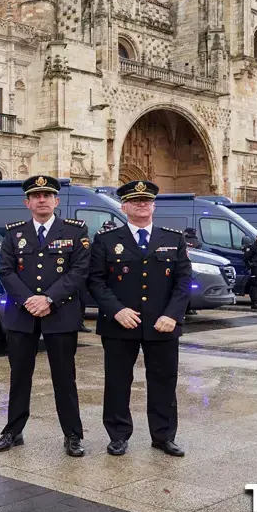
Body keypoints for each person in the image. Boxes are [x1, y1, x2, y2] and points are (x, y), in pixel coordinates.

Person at [86, 179, 191, 457]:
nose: (141, 204)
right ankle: (118, 435)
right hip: (120, 323)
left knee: (164, 381)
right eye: (135, 201)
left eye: (146, 200)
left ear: (154, 206)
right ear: (124, 207)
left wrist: (172, 315)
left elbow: (183, 282)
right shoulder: (106, 240)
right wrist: (116, 309)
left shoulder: (173, 239)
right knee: (118, 381)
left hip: (162, 325)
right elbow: (95, 281)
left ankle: (163, 436)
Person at [0, 175, 90, 458]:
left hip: (60, 312)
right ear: (28, 203)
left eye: (47, 195)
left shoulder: (74, 231)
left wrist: (48, 299)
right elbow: (6, 270)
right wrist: (28, 300)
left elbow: (79, 271)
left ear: (56, 201)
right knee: (19, 375)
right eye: (36, 196)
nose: (42, 199)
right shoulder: (15, 233)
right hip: (22, 315)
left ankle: (72, 434)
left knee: (64, 377)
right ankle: (13, 431)